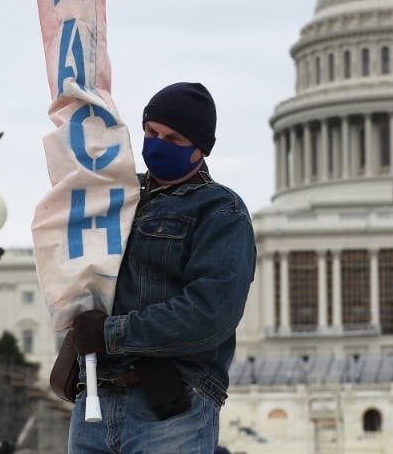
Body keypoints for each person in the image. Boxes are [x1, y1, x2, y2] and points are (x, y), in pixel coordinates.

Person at [65, 82, 256, 453]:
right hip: (96, 396)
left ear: (200, 149)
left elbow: (210, 313)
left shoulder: (220, 212)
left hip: (171, 406)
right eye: (151, 132)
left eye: (173, 138)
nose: (156, 143)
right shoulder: (117, 197)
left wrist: (110, 333)